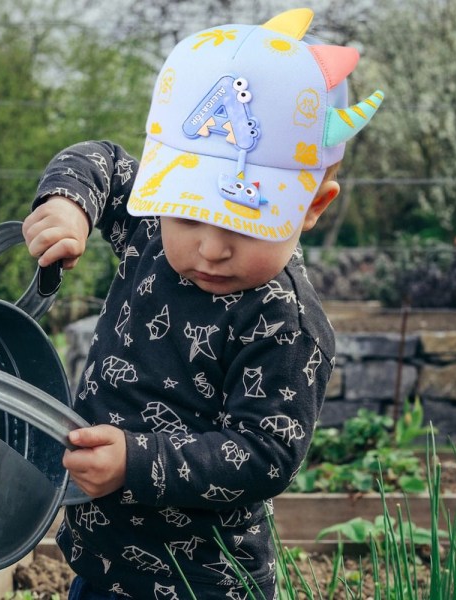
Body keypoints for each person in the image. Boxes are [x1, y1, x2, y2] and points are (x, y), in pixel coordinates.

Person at [23, 7, 383, 599]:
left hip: (205, 580)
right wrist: (69, 204)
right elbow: (106, 164)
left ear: (313, 207)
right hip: (98, 561)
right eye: (189, 212)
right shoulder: (150, 231)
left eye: (246, 225)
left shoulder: (282, 322)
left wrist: (136, 462)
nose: (212, 248)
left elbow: (265, 453)